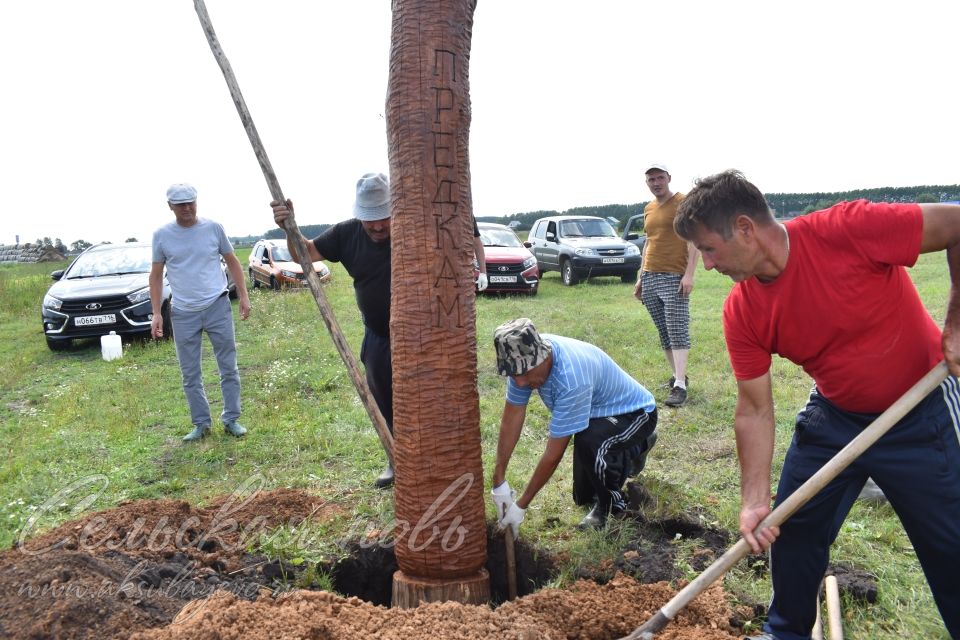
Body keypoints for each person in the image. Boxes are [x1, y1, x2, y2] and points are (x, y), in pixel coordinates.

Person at [673, 169, 960, 640]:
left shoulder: (848, 229)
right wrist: (753, 501)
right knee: (791, 527)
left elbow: (956, 224)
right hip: (835, 415)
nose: (706, 265)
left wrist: (957, 322)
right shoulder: (742, 309)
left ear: (744, 228)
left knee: (951, 544)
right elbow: (754, 410)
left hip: (920, 408)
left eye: (708, 248)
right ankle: (785, 632)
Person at [272, 172, 486, 489]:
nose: (376, 226)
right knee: (385, 400)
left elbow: (466, 224)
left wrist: (479, 268)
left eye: (382, 218)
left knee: (430, 399)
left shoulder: (415, 223)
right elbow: (305, 254)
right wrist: (289, 227)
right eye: (369, 219)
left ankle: (435, 461)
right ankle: (395, 459)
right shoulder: (347, 234)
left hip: (423, 335)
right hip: (379, 337)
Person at [489, 318, 658, 532]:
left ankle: (613, 504)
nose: (520, 382)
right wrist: (499, 479)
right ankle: (628, 450)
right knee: (583, 497)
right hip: (596, 414)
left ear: (543, 357)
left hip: (635, 414)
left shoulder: (570, 379)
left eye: (523, 374)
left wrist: (521, 505)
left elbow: (553, 455)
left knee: (591, 443)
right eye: (514, 374)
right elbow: (511, 418)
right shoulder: (525, 361)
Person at [150, 183, 251, 442]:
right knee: (190, 373)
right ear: (170, 206)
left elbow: (232, 262)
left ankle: (231, 419)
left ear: (197, 201)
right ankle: (201, 424)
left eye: (191, 202)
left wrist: (244, 296)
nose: (187, 208)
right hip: (183, 312)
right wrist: (156, 313)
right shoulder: (162, 235)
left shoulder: (213, 228)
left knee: (228, 366)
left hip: (217, 304)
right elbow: (156, 275)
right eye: (181, 204)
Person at [633, 163, 699, 407]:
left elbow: (694, 240)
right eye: (651, 179)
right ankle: (677, 377)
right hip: (651, 276)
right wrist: (641, 276)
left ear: (669, 178)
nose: (656, 182)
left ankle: (680, 386)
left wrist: (689, 275)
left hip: (675, 276)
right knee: (664, 330)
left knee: (677, 328)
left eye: (660, 178)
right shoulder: (648, 208)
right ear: (647, 182)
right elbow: (649, 243)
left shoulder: (683, 202)